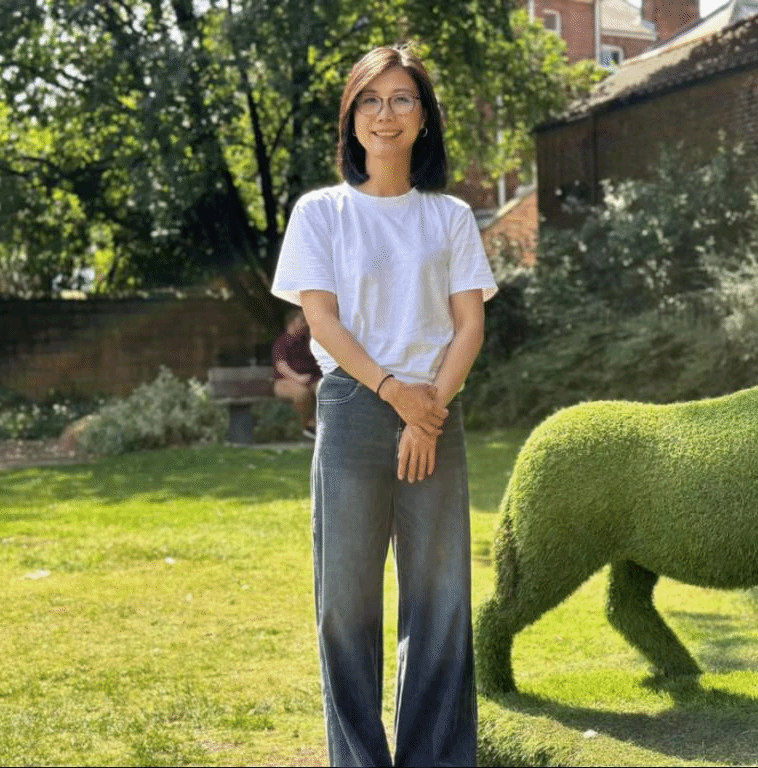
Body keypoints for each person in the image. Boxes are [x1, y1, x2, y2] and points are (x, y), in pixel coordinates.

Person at [270, 44, 497, 767]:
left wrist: (428, 411)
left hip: (437, 409)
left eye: (402, 99)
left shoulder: (450, 216)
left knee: (440, 602)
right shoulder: (321, 212)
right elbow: (323, 321)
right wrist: (397, 393)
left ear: (424, 117)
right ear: (352, 118)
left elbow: (469, 326)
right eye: (370, 100)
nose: (385, 114)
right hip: (355, 408)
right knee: (346, 604)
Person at [271, 309, 321, 439]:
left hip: (310, 379)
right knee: (302, 394)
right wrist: (298, 378)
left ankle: (318, 425)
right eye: (302, 321)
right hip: (285, 382)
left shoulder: (308, 342)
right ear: (291, 323)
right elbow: (281, 366)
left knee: (324, 390)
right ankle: (304, 427)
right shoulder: (281, 343)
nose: (305, 324)